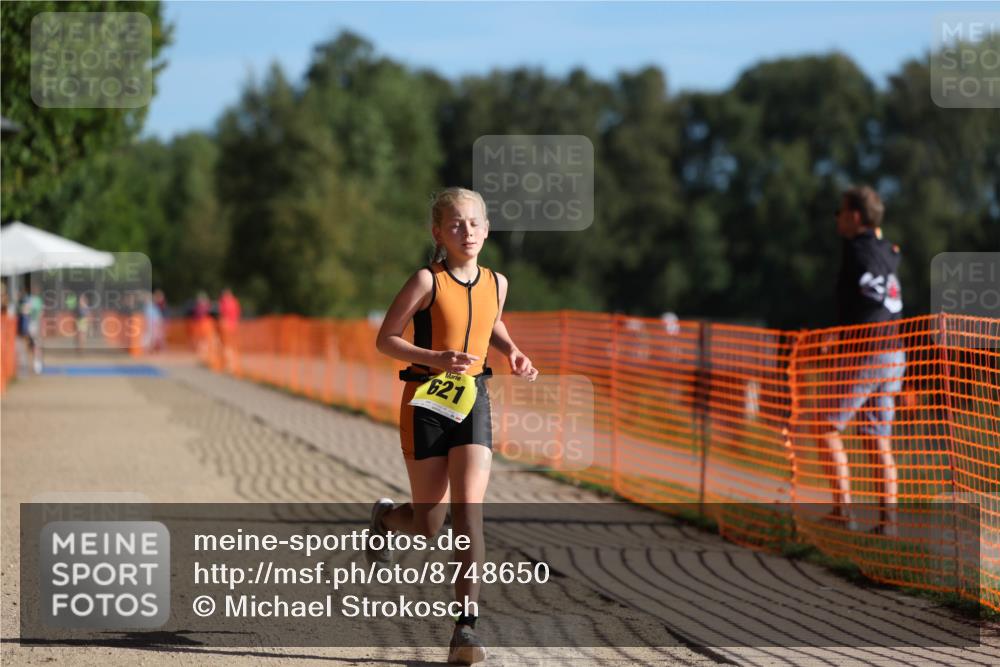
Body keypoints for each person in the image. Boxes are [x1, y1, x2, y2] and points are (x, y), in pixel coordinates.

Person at [371, 187, 538, 665]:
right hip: (425, 401)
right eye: (456, 224)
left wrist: (512, 351)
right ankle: (385, 518)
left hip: (473, 400)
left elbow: (490, 322)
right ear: (438, 233)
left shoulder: (498, 282)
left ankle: (465, 628)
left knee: (469, 514)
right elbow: (386, 339)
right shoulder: (427, 281)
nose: (467, 231)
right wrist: (436, 358)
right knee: (428, 524)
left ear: (487, 229)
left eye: (475, 223)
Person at [821, 185, 904, 536]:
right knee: (877, 437)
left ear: (855, 216)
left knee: (825, 426)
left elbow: (858, 301)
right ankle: (889, 523)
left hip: (865, 350)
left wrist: (841, 338)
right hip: (894, 351)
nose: (837, 219)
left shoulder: (856, 250)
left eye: (840, 212)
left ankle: (843, 511)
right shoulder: (888, 251)